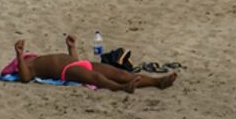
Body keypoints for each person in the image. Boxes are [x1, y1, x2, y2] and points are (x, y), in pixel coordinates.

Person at [11, 37, 176, 91]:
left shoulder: (35, 58)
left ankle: (157, 82)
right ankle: (121, 88)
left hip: (79, 63)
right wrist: (19, 55)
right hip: (67, 71)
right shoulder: (27, 67)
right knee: (96, 77)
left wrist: (71, 47)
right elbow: (25, 78)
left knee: (121, 73)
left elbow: (74, 60)